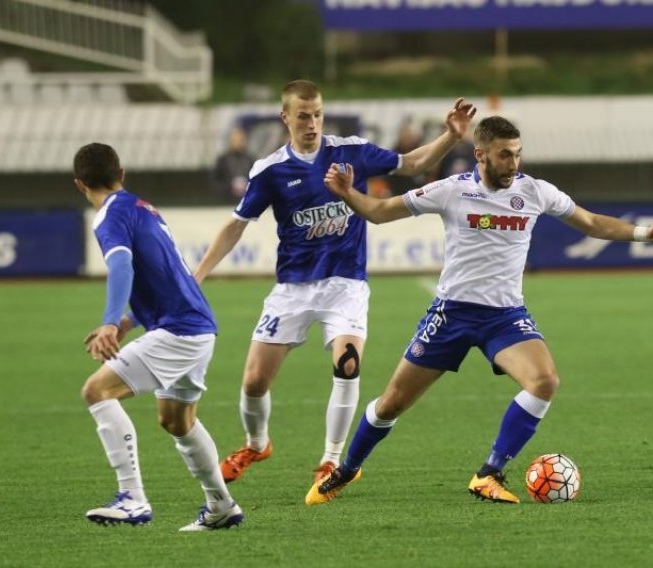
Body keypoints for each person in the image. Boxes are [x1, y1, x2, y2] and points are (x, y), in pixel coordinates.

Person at [306, 116, 653, 505]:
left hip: (504, 317)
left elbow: (590, 222)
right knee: (391, 404)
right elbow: (382, 211)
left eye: (518, 154)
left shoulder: (536, 192)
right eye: (505, 155)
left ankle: (488, 473)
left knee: (544, 381)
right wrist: (349, 194)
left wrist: (644, 233)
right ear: (481, 154)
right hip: (451, 315)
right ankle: (347, 469)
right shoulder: (451, 190)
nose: (514, 163)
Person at [193, 80, 476, 487]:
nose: (312, 123)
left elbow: (411, 164)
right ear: (285, 117)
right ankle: (256, 444)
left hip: (345, 283)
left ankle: (331, 461)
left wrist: (450, 135)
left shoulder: (351, 152)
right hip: (292, 288)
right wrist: (198, 274)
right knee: (254, 381)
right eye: (303, 116)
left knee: (347, 364)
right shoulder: (270, 171)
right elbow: (236, 226)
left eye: (318, 114)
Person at [75, 142, 243, 531]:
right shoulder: (143, 208)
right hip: (198, 327)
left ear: (79, 184)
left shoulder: (108, 218)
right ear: (123, 174)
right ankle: (221, 505)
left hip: (179, 332)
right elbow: (171, 275)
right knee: (177, 422)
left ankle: (132, 498)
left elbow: (121, 265)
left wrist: (109, 320)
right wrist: (130, 321)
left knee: (96, 391)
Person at [212, 127, 255, 202]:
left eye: (241, 140)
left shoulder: (251, 159)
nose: (239, 143)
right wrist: (230, 187)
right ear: (230, 142)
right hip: (226, 201)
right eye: (236, 140)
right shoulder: (222, 160)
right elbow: (215, 182)